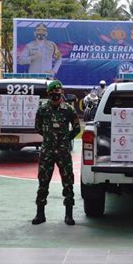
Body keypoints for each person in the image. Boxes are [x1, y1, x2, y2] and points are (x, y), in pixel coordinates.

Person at [32, 80, 81, 226]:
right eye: (53, 94)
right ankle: (40, 214)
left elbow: (77, 128)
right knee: (43, 182)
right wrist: (49, 138)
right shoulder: (42, 109)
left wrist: (65, 139)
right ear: (48, 94)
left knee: (68, 182)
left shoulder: (68, 110)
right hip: (47, 151)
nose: (55, 97)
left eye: (58, 94)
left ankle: (69, 215)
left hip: (63, 152)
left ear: (62, 94)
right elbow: (38, 127)